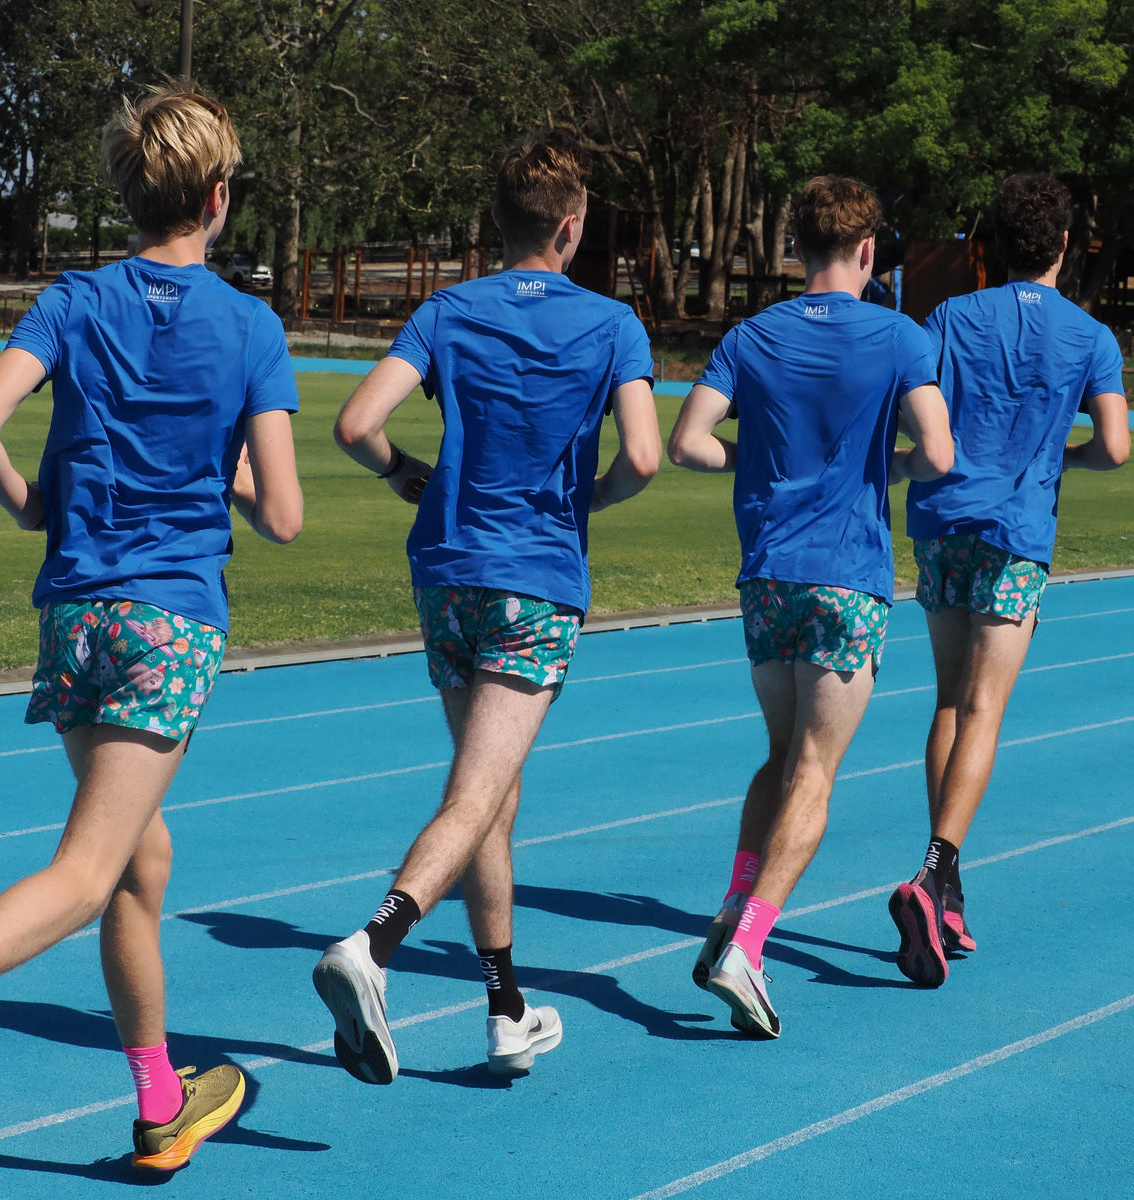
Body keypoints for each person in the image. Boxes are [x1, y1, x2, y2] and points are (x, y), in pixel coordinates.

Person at [0, 83, 303, 1168]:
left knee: (142, 861)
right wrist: (225, 469)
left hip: (77, 611)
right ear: (220, 197)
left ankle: (159, 1100)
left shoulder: (73, 300)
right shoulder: (249, 325)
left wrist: (31, 503)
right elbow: (283, 516)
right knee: (94, 868)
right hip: (168, 620)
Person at [317, 131, 661, 1084]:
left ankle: (505, 1006)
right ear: (572, 223)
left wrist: (405, 478)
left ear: (498, 223)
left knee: (491, 795)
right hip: (536, 578)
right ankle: (375, 945)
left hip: (448, 571)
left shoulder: (446, 310)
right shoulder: (612, 323)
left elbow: (357, 424)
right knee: (477, 796)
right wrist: (578, 503)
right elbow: (639, 457)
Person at [668, 175, 954, 1038]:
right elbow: (938, 453)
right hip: (847, 575)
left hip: (768, 574)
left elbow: (688, 443)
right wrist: (886, 469)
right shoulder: (899, 336)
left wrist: (756, 462)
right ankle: (748, 947)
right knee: (816, 773)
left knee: (780, 754)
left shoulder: (750, 335)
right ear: (869, 253)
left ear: (796, 246)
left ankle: (731, 907)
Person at [889, 173, 1129, 986]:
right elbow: (1116, 447)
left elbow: (914, 414)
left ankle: (943, 887)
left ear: (987, 245)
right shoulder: (1091, 335)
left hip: (945, 526)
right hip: (1018, 533)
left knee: (949, 703)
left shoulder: (950, 316)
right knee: (986, 707)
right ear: (1063, 243)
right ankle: (936, 869)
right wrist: (1063, 457)